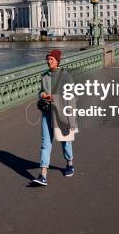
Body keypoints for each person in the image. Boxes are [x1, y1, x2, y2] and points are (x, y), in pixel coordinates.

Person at [32, 49, 78, 186]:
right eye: (48, 59)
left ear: (57, 61)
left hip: (62, 113)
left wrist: (53, 98)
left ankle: (70, 164)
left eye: (51, 59)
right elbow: (41, 92)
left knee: (65, 141)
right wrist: (42, 96)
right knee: (45, 143)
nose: (48, 61)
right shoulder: (44, 76)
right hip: (47, 113)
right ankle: (43, 175)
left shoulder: (65, 76)